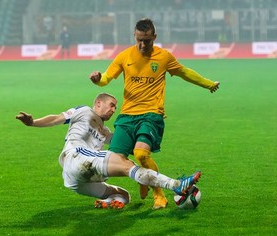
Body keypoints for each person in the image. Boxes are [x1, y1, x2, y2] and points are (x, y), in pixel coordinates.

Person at [89, 18, 220, 210]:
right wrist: (98, 79)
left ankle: (159, 195)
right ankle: (143, 177)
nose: (143, 44)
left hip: (151, 115)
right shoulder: (124, 56)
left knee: (141, 153)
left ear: (154, 37)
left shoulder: (163, 57)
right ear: (135, 36)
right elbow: (107, 78)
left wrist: (209, 84)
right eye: (139, 40)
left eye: (147, 40)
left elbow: (184, 72)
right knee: (115, 162)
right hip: (126, 117)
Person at [16, 93, 201, 209]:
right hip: (76, 157)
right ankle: (176, 185)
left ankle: (107, 203)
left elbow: (127, 142)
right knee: (126, 165)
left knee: (123, 196)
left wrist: (151, 117)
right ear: (98, 103)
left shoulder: (105, 132)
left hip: (78, 181)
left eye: (115, 106)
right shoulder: (84, 111)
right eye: (111, 105)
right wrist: (32, 123)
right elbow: (56, 118)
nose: (114, 109)